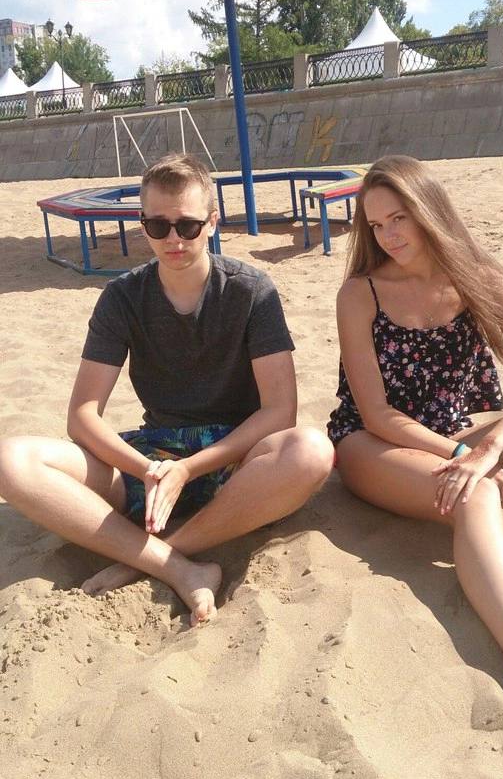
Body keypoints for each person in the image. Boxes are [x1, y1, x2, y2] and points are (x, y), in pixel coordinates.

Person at [0, 154, 334, 626]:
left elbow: (280, 411)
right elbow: (83, 415)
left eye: (187, 226)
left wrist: (189, 470)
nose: (173, 239)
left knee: (311, 451)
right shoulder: (123, 297)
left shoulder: (251, 290)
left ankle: (147, 559)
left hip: (235, 460)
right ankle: (175, 566)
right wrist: (150, 470)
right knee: (13, 460)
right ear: (143, 225)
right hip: (154, 457)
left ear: (212, 223)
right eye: (158, 226)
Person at [328, 155, 503, 721]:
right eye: (376, 224)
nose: (388, 236)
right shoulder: (360, 294)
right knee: (476, 490)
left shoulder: (478, 276)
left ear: (429, 210)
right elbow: (377, 415)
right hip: (374, 445)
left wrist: (490, 447)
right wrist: (471, 457)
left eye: (399, 218)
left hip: (457, 433)